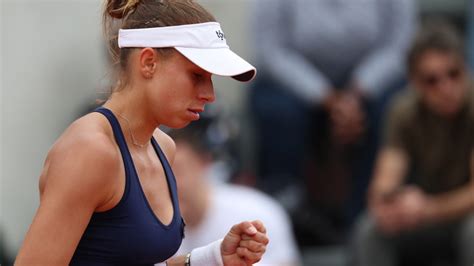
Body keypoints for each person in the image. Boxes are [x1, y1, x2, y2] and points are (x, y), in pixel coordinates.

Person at [15, 0, 269, 265]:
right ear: (148, 62)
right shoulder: (91, 149)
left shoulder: (163, 146)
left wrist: (213, 258)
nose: (210, 95)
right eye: (196, 75)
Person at [249, 0, 417, 234]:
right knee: (275, 108)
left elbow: (400, 44)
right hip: (296, 79)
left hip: (372, 80)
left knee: (395, 106)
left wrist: (360, 90)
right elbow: (271, 51)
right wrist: (324, 96)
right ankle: (282, 215)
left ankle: (368, 217)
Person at [352, 20, 474, 266]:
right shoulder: (404, 112)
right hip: (423, 215)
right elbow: (386, 178)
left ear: (466, 69)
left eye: (453, 73)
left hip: (463, 216)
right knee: (371, 230)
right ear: (415, 83)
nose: (445, 87)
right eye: (432, 80)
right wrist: (387, 204)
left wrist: (428, 208)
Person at [168, 116, 301, 266]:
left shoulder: (256, 212)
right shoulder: (148, 229)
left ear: (204, 163)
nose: (169, 184)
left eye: (178, 171)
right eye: (161, 174)